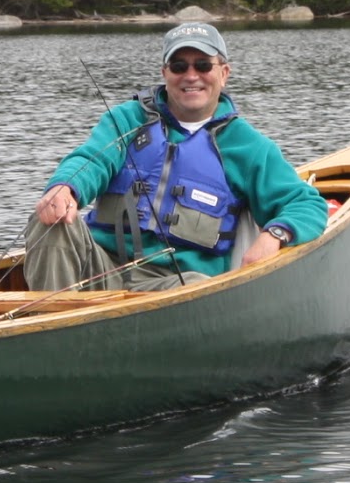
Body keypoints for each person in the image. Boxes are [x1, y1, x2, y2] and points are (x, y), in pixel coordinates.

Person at [24, 21, 327, 292]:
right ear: (165, 73)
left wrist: (275, 234)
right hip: (101, 269)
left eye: (203, 66)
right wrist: (65, 187)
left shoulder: (248, 146)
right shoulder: (127, 119)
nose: (191, 75)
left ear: (224, 73)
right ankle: (51, 330)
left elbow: (306, 204)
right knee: (49, 220)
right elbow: (91, 160)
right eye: (179, 66)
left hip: (175, 284)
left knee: (196, 286)